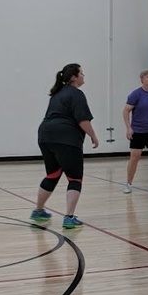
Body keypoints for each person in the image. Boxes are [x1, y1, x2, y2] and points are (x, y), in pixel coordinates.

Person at [30, 63, 99, 228]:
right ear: (74, 77)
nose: (84, 76)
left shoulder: (57, 94)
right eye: (81, 73)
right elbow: (83, 120)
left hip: (45, 135)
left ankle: (38, 211)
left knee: (53, 174)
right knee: (75, 178)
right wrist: (93, 136)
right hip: (66, 138)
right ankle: (69, 217)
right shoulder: (77, 94)